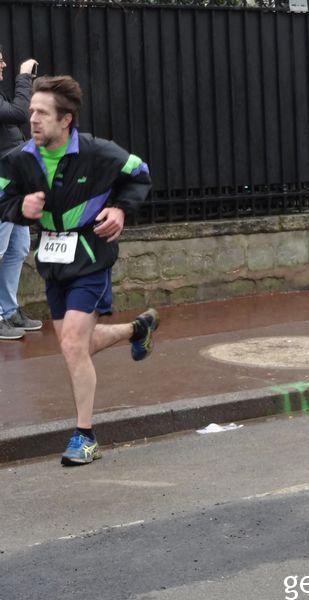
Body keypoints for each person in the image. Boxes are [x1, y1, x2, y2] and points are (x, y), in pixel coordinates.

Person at [0, 76, 159, 466]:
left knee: (72, 344)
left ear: (65, 119)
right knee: (78, 345)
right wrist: (20, 208)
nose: (32, 119)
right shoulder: (20, 158)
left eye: (42, 113)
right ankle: (136, 330)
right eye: (31, 111)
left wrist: (120, 209)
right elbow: (2, 197)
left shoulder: (97, 152)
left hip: (91, 255)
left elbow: (140, 173)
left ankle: (85, 437)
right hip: (53, 261)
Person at [0, 47, 41, 340]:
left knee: (18, 247)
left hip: (13, 181)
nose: (3, 63)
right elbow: (17, 113)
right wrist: (24, 77)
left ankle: (9, 310)